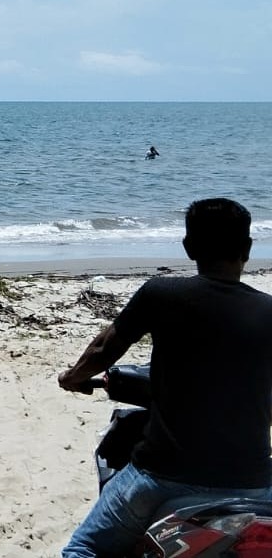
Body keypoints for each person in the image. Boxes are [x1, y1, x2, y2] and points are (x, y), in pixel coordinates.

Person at [58, 197, 272, 557]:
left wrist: (72, 378)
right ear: (247, 248)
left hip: (164, 478)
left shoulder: (162, 294)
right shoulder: (269, 312)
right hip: (255, 484)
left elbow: (103, 350)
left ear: (189, 248)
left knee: (83, 549)